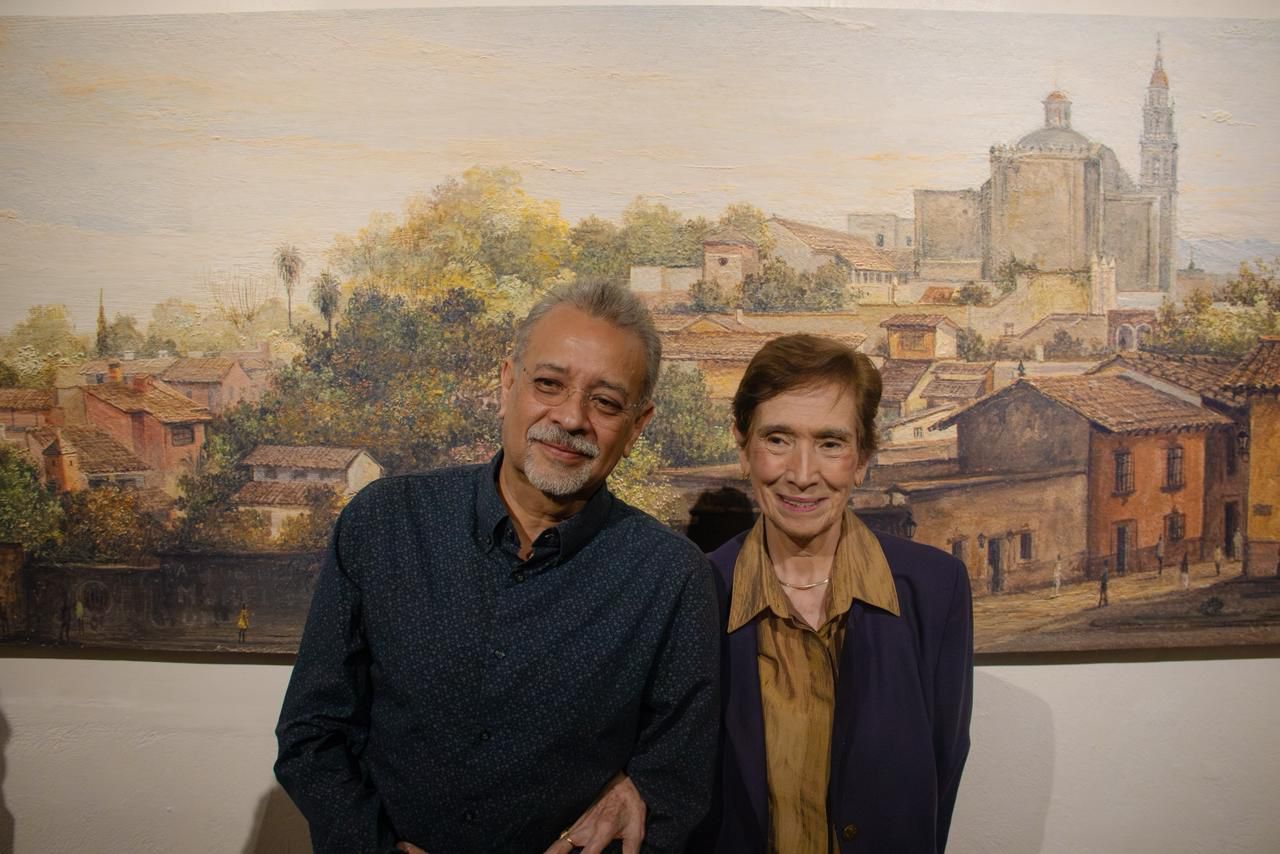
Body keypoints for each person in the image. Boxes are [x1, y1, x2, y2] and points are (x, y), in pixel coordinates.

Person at [275, 280, 720, 854]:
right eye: (549, 384)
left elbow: (674, 785)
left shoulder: (672, 579)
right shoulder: (384, 523)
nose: (571, 417)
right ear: (507, 384)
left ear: (637, 426)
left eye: (606, 403)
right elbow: (313, 733)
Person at [695, 335, 973, 853]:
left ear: (862, 458)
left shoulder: (935, 589)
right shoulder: (696, 594)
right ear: (743, 447)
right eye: (778, 439)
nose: (803, 475)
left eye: (830, 443)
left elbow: (941, 770)